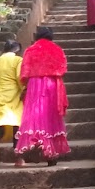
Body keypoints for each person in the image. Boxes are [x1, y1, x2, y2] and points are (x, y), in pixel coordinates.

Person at [15, 25, 68, 164]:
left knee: (35, 116)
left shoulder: (30, 50)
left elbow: (24, 73)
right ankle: (51, 153)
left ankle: (37, 147)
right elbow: (63, 68)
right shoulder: (57, 49)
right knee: (50, 116)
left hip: (35, 85)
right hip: (52, 84)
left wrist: (26, 85)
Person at [0, 39, 23, 167]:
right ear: (17, 50)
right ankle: (18, 158)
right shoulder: (18, 60)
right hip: (13, 93)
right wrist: (24, 90)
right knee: (17, 124)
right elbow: (19, 78)